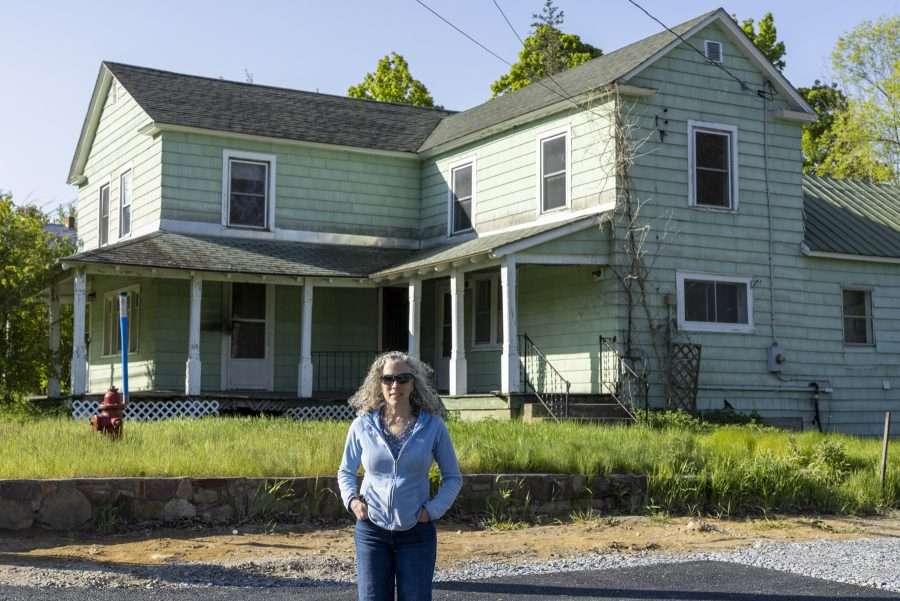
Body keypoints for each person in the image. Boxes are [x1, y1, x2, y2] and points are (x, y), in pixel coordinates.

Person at [337, 351, 462, 601]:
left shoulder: (433, 426)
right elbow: (346, 471)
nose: (395, 385)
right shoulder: (362, 425)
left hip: (416, 532)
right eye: (388, 379)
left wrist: (432, 510)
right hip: (372, 532)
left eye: (403, 378)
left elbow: (453, 478)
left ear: (413, 382)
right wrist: (352, 500)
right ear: (378, 382)